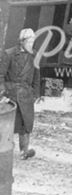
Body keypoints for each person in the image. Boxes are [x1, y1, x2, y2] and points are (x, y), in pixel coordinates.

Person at [0, 28, 40, 159]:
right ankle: (4, 151)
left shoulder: (34, 55)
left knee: (26, 123)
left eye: (33, 41)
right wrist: (3, 93)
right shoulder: (9, 53)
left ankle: (24, 151)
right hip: (11, 94)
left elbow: (37, 76)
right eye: (30, 41)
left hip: (27, 94)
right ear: (22, 41)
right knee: (8, 124)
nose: (32, 44)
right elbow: (1, 75)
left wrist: (36, 94)